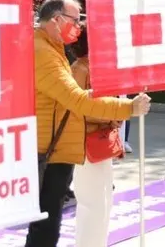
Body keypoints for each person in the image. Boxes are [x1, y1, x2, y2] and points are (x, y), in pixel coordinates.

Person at [27, 0, 151, 247]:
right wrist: (128, 108)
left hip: (56, 149)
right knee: (45, 228)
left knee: (48, 225)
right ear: (57, 19)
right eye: (76, 19)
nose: (80, 26)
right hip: (48, 151)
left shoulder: (51, 48)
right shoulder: (43, 53)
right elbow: (78, 100)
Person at [70, 26, 121, 247]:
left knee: (103, 200)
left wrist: (115, 113)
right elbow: (80, 108)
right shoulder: (80, 68)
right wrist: (113, 113)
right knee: (92, 202)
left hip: (101, 140)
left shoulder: (98, 67)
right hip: (86, 141)